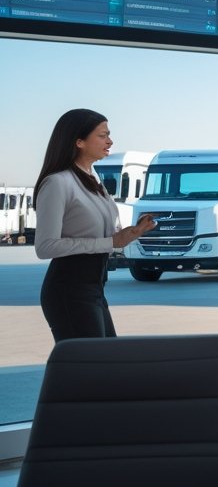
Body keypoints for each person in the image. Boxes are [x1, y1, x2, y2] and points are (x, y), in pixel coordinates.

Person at [33, 109, 156, 342]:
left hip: (95, 287)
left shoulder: (93, 178)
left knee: (103, 363)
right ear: (78, 141)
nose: (110, 141)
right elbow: (45, 247)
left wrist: (131, 233)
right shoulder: (58, 183)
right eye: (102, 135)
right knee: (92, 368)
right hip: (69, 289)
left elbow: (103, 236)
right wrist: (110, 242)